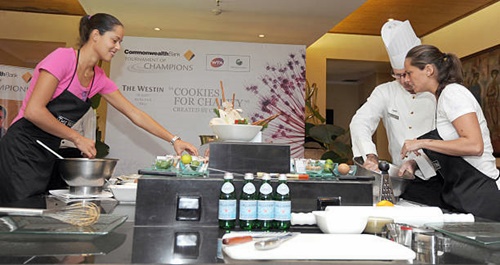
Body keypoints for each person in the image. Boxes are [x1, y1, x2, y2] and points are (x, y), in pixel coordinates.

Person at [0, 13, 198, 204]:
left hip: (48, 151)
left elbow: (134, 113)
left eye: (120, 42)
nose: (118, 47)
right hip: (21, 147)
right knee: (20, 213)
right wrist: (77, 138)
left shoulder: (98, 78)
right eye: (114, 40)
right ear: (95, 35)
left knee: (36, 214)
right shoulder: (63, 59)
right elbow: (34, 111)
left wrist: (174, 140)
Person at [401, 44, 500, 221]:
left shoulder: (453, 94)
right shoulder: (442, 97)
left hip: (483, 192)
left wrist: (422, 143)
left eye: (409, 73)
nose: (406, 79)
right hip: (467, 194)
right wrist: (415, 163)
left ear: (429, 70)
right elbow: (450, 146)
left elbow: (474, 145)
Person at [349, 20, 436, 179]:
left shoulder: (436, 92)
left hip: (438, 175)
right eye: (398, 75)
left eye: (408, 74)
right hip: (401, 176)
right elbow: (360, 121)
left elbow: (448, 137)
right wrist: (370, 155)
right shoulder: (385, 91)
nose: (404, 81)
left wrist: (417, 162)